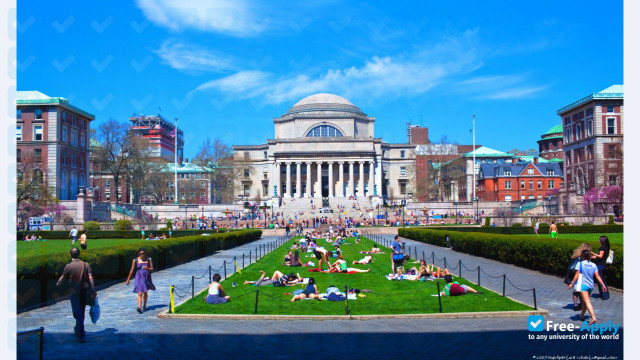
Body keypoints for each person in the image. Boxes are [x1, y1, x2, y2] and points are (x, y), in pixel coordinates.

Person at [56, 248, 96, 342]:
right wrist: (93, 290)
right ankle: (79, 329)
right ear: (79, 254)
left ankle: (80, 334)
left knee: (77, 313)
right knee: (81, 312)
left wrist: (58, 283)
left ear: (70, 255)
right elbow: (91, 278)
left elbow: (63, 277)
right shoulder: (85, 264)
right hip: (84, 291)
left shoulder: (68, 266)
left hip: (74, 293)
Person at [568, 249, 607, 325]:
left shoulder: (580, 264)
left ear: (582, 256)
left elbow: (577, 275)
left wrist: (572, 283)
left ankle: (593, 317)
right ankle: (581, 315)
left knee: (587, 301)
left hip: (583, 285)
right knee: (584, 302)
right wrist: (603, 285)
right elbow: (597, 276)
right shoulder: (593, 265)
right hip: (590, 285)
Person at [125, 247, 156, 313]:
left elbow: (152, 269)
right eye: (140, 253)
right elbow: (132, 270)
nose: (142, 255)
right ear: (138, 253)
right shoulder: (135, 260)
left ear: (145, 253)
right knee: (139, 292)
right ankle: (139, 307)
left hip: (146, 277)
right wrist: (128, 279)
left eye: (143, 253)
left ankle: (144, 304)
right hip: (139, 277)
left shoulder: (149, 259)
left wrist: (147, 268)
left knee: (145, 292)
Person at [565, 243, 592, 310]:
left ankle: (576, 305)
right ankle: (581, 304)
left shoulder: (576, 255)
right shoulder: (581, 257)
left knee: (576, 290)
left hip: (572, 273)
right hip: (577, 273)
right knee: (580, 290)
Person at [591, 236, 611, 300]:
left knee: (600, 280)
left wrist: (593, 253)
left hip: (600, 265)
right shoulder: (606, 247)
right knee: (600, 280)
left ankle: (604, 295)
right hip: (602, 264)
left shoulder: (602, 248)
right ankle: (603, 294)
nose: (599, 241)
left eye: (599, 240)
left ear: (602, 241)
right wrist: (593, 257)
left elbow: (600, 256)